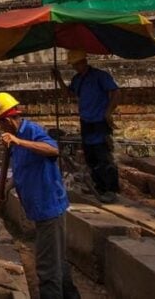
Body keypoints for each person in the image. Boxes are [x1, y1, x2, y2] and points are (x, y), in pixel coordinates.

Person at [0, 92, 80, 299]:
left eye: (1, 125)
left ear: (8, 120)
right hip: (39, 209)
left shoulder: (31, 131)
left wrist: (19, 141)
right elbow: (21, 172)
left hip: (50, 208)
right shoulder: (13, 143)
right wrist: (5, 189)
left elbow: (52, 149)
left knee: (47, 269)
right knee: (57, 261)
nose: (1, 130)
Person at [52, 50, 120, 203]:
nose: (76, 67)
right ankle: (99, 186)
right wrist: (59, 79)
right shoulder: (78, 79)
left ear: (84, 62)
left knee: (103, 155)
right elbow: (68, 94)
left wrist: (108, 112)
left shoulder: (100, 76)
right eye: (74, 65)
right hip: (86, 121)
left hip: (99, 120)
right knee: (91, 156)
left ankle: (110, 189)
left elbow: (115, 92)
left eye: (77, 64)